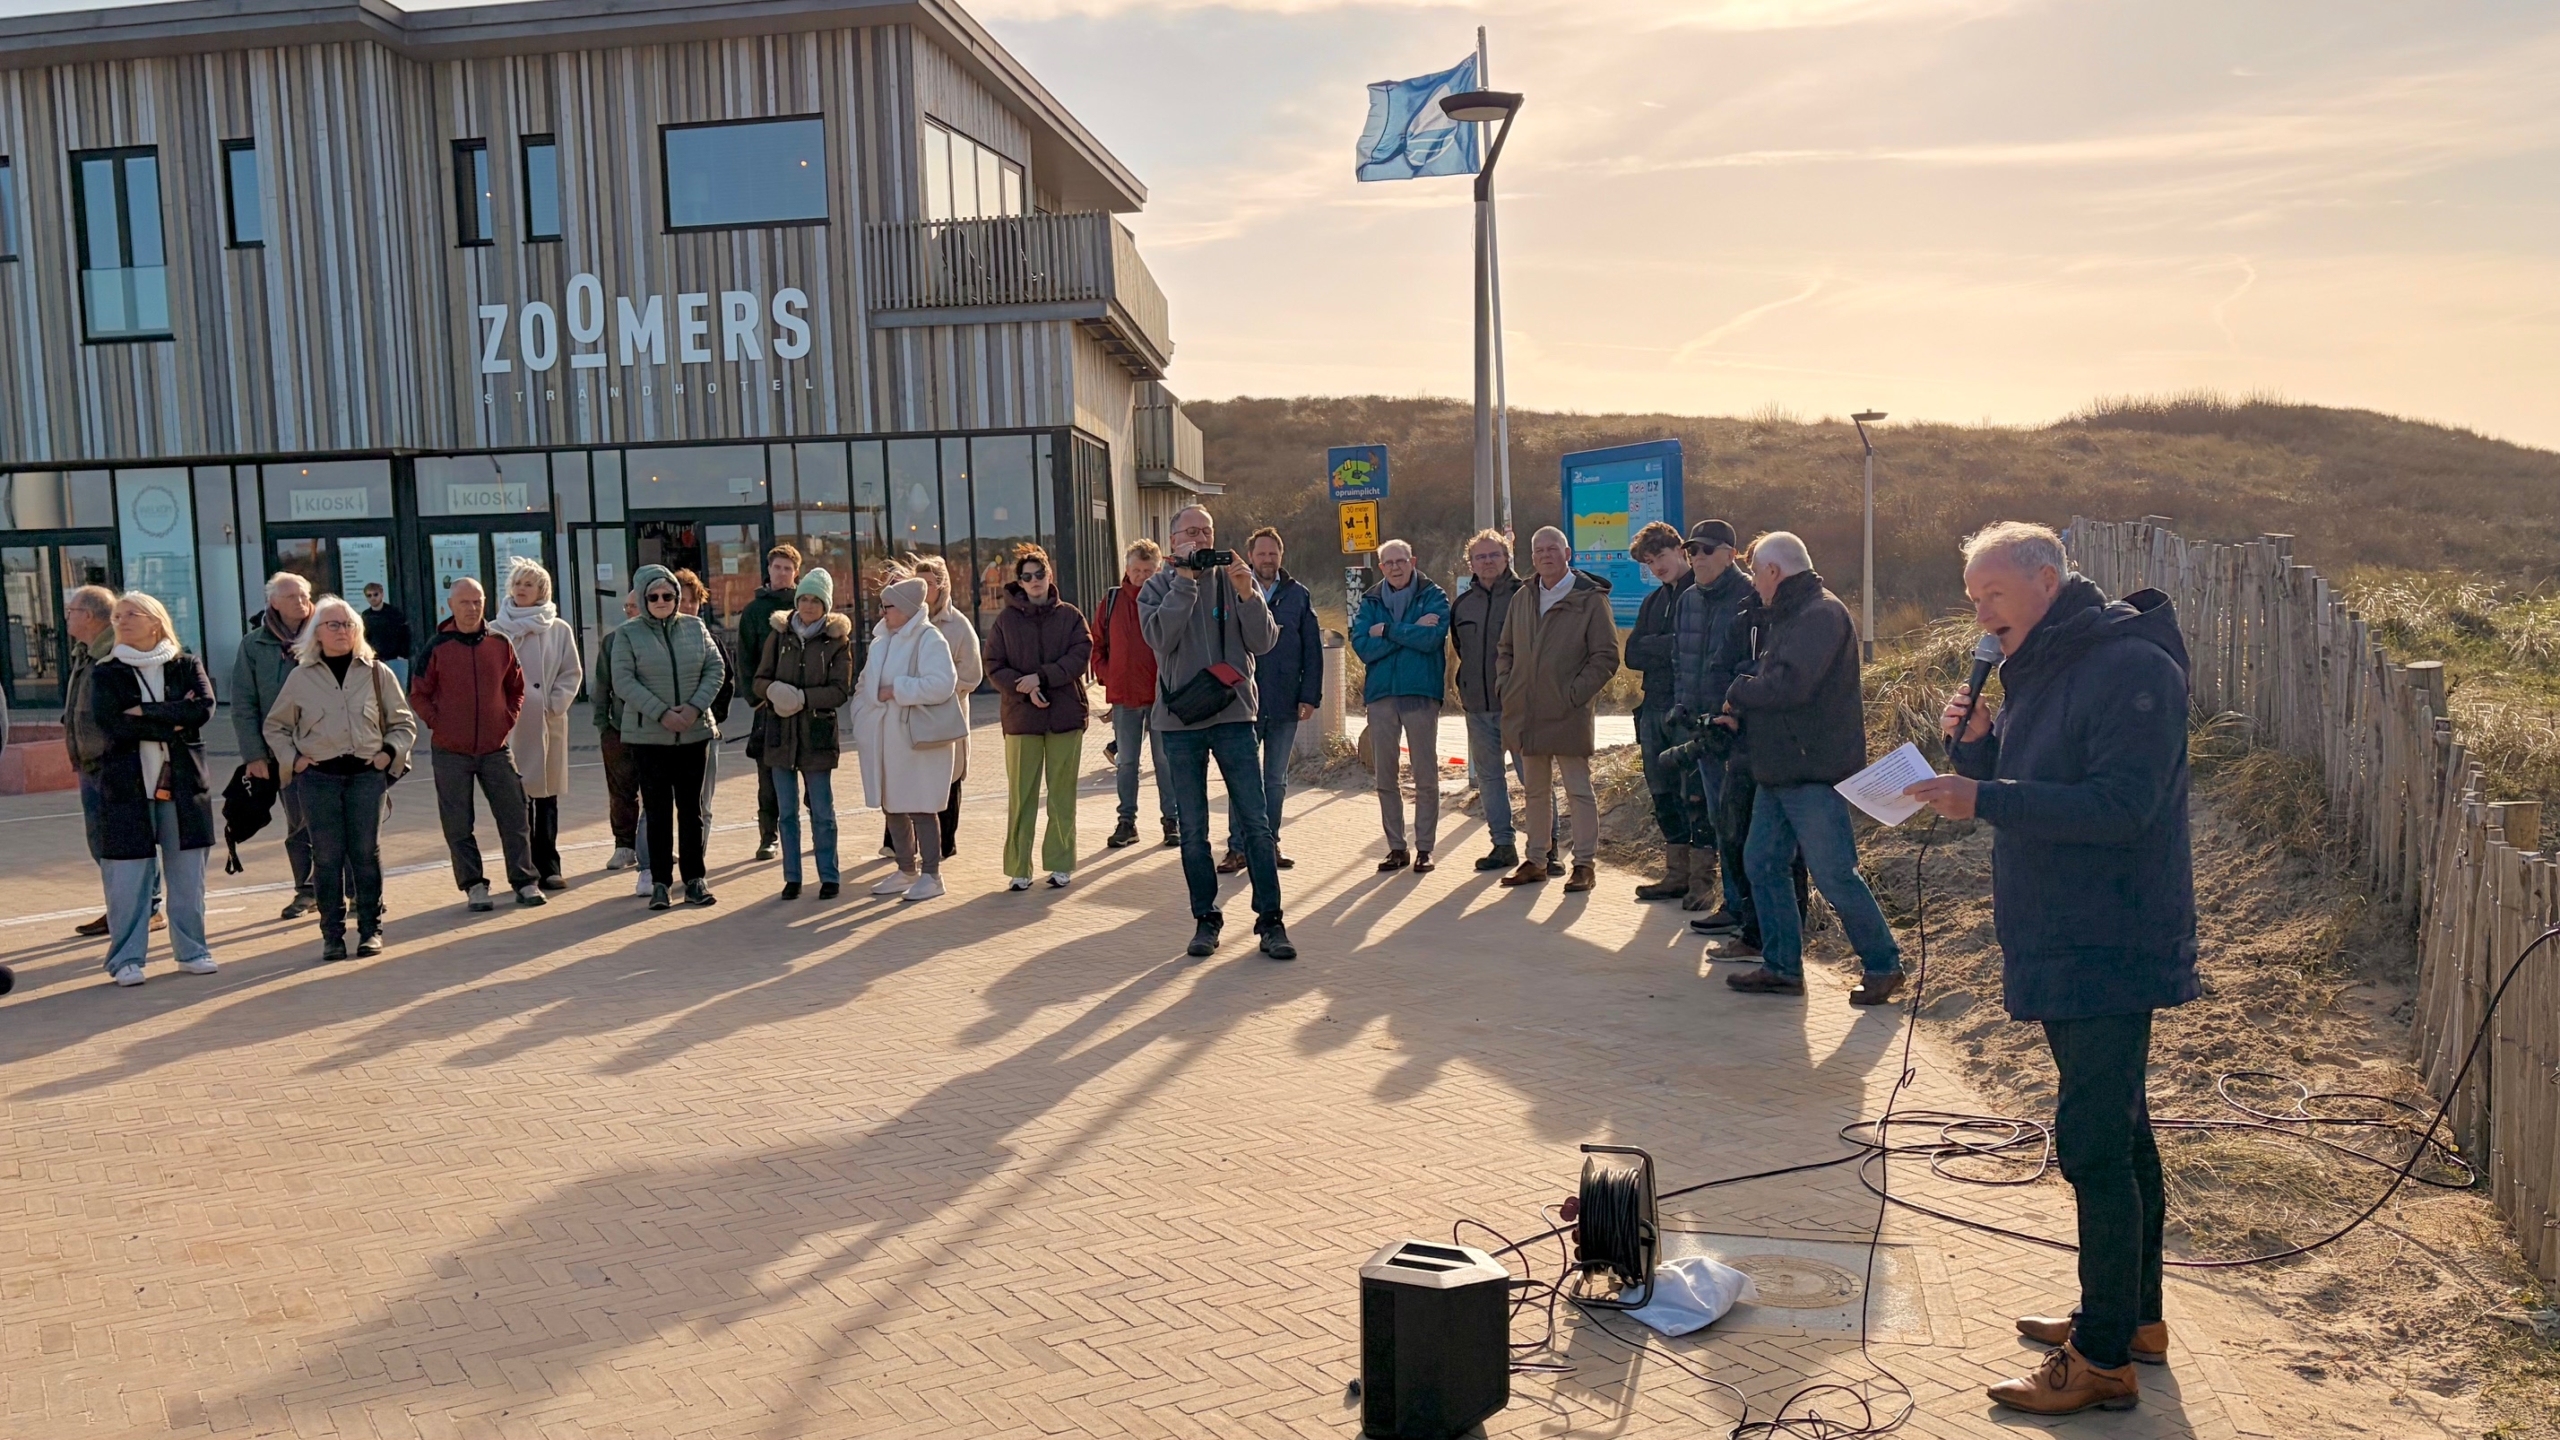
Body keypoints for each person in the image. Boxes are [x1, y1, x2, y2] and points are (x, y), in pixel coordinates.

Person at [1902, 522, 2197, 1416]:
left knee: (2094, 1146)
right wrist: (1984, 745)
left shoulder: (2128, 667)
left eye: (1992, 595)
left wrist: (1985, 793)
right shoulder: (2046, 663)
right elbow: (2042, 783)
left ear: (2045, 579)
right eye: (1972, 600)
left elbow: (2120, 807)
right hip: (2064, 929)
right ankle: (2133, 1318)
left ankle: (2102, 1357)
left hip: (2112, 937)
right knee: (2124, 1132)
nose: (1981, 615)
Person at [1716, 531, 1904, 1001]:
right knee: (1761, 861)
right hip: (1781, 767)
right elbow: (1778, 681)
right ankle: (1782, 967)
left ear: (1775, 572)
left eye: (1757, 571)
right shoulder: (1795, 612)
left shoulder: (1819, 613)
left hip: (1810, 769)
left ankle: (1883, 965)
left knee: (1835, 871)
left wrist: (1739, 690)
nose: (1754, 582)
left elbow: (1787, 687)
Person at [1139, 504, 1294, 961]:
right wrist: (1185, 583)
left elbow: (1264, 642)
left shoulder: (1235, 578)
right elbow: (1160, 639)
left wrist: (1248, 594)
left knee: (1257, 825)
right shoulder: (1157, 586)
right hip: (1180, 723)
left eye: (1207, 532)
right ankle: (1206, 920)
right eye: (1191, 532)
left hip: (1234, 716)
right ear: (1173, 542)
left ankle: (1271, 923)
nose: (1202, 539)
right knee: (1193, 830)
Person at [261, 593, 417, 961]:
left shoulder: (378, 672)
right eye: (333, 624)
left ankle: (370, 930)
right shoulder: (301, 677)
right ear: (317, 633)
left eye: (348, 624)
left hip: (366, 777)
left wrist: (388, 753)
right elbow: (276, 727)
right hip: (319, 779)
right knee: (327, 856)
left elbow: (403, 723)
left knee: (366, 853)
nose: (342, 631)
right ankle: (332, 934)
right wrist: (294, 760)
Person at [91, 592, 219, 986]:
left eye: (132, 614)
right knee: (127, 879)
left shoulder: (185, 664)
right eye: (117, 616)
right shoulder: (106, 671)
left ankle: (192, 951)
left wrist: (145, 711)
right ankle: (126, 959)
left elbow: (202, 709)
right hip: (127, 789)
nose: (122, 620)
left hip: (183, 787)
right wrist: (172, 718)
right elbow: (113, 723)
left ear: (156, 621)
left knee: (187, 877)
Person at [410, 576, 546, 913]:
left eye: (477, 602)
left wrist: (506, 720)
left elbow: (517, 688)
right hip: (450, 752)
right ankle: (474, 885)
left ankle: (525, 880)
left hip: (495, 748)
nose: (472, 609)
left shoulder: (500, 643)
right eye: (464, 603)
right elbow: (418, 694)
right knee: (458, 822)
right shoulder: (435, 648)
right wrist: (438, 722)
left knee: (515, 814)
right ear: (450, 606)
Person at [1495, 526, 1618, 892]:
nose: (1545, 555)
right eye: (1538, 550)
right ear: (1531, 558)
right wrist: (1508, 687)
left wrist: (1573, 695)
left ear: (1568, 553)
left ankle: (1583, 864)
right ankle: (1535, 860)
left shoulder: (1590, 599)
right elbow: (1505, 650)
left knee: (1578, 791)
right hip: (1527, 712)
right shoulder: (1523, 597)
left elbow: (1606, 656)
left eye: (1552, 548)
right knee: (1534, 790)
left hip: (1568, 712)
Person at [614, 564, 725, 910]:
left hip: (694, 735)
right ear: (643, 598)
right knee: (658, 812)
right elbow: (624, 680)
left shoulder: (695, 626)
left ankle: (695, 879)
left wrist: (693, 709)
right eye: (654, 596)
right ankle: (660, 881)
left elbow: (715, 667)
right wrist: (662, 713)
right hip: (650, 739)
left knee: (691, 810)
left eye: (668, 595)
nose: (662, 601)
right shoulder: (628, 634)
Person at [984, 547, 1092, 889]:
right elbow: (993, 666)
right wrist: (1024, 687)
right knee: (1022, 794)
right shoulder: (1005, 621)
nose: (1034, 582)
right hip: (1021, 720)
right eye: (1027, 577)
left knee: (1062, 794)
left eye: (1039, 575)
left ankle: (1060, 863)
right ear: (1019, 582)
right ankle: (1019, 867)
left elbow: (1080, 655)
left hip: (1064, 717)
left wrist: (1042, 677)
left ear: (1050, 576)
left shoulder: (1071, 616)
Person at [850, 576, 959, 902]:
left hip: (916, 741)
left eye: (889, 606)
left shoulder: (929, 639)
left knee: (922, 806)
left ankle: (931, 875)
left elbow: (943, 683)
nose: (882, 613)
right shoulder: (882, 641)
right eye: (882, 606)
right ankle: (905, 868)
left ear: (908, 608)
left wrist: (897, 689)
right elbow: (864, 684)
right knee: (892, 805)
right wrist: (861, 715)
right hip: (886, 739)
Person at [1222, 527, 1321, 873]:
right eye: (1261, 554)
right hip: (1241, 704)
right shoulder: (1233, 592)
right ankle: (1237, 848)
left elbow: (1313, 650)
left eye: (1273, 553)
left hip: (1285, 702)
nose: (1267, 559)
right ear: (1250, 557)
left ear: (1282, 556)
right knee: (1240, 778)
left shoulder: (1298, 596)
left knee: (1275, 780)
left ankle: (1269, 845)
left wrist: (1310, 696)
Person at [1349, 537, 1451, 873]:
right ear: (1381, 567)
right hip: (1381, 697)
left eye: (1401, 561)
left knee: (1425, 776)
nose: (1395, 567)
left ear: (1413, 561)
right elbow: (1363, 647)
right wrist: (1407, 633)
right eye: (1388, 562)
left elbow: (1431, 640)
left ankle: (1424, 848)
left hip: (1420, 694)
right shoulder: (1370, 600)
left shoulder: (1434, 596)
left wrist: (1388, 631)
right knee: (1385, 778)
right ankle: (1396, 847)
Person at [753, 567, 855, 900]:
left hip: (816, 736)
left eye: (815, 600)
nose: (808, 606)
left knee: (822, 811)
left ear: (826, 605)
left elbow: (841, 690)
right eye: (803, 599)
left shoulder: (837, 641)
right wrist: (775, 692)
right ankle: (792, 878)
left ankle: (829, 876)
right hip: (780, 734)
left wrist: (804, 698)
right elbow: (759, 680)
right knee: (786, 813)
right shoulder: (778, 635)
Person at [65, 584, 152, 940]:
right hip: (90, 763)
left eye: (70, 611)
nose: (66, 617)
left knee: (125, 841)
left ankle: (147, 907)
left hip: (112, 764)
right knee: (102, 841)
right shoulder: (84, 653)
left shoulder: (115, 654)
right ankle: (123, 905)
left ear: (87, 615)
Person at [489, 558, 582, 890]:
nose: (521, 589)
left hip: (545, 722)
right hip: (510, 726)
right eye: (517, 582)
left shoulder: (558, 629)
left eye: (529, 583)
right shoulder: (495, 630)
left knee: (546, 795)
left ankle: (550, 863)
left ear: (543, 590)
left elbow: (571, 673)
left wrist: (552, 705)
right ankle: (523, 868)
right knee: (516, 798)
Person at [234, 572, 318, 920]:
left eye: (304, 595)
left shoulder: (328, 632)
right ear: (273, 603)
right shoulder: (254, 645)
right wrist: (254, 754)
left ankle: (355, 891)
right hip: (284, 753)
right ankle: (307, 891)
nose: (300, 602)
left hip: (332, 747)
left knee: (348, 822)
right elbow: (243, 702)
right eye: (291, 597)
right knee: (300, 824)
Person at [1624, 521, 1696, 900]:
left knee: (1694, 795)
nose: (1657, 567)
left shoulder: (1699, 593)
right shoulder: (1653, 601)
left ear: (1679, 550)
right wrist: (1667, 645)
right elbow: (1631, 654)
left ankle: (1702, 880)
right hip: (1652, 707)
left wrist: (1661, 646)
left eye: (1661, 557)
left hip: (1684, 708)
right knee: (1662, 794)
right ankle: (1676, 874)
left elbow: (1692, 648)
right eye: (1650, 563)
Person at [1092, 538, 1178, 850]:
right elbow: (1096, 643)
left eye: (1148, 570)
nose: (1142, 576)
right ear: (1127, 569)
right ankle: (1126, 822)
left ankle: (1172, 821)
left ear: (1158, 570)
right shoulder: (1112, 600)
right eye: (1137, 570)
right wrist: (1107, 675)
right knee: (1126, 762)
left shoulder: (1169, 599)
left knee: (1165, 762)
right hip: (1124, 697)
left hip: (1162, 697)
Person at [1450, 529, 1525, 873]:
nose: (1488, 561)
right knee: (1490, 779)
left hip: (1518, 706)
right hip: (1477, 707)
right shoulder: (1463, 604)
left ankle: (1547, 847)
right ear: (1471, 563)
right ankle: (1503, 845)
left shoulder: (1526, 596)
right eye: (1480, 557)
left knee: (1532, 778)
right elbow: (1461, 650)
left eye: (1494, 554)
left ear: (1507, 557)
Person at [737, 543, 803, 862]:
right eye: (777, 567)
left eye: (787, 568)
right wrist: (757, 699)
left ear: (796, 573)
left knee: (810, 769)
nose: (781, 573)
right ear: (768, 570)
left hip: (803, 705)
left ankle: (815, 829)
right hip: (768, 707)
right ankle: (768, 836)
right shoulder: (753, 611)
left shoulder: (806, 606)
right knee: (768, 777)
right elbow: (745, 660)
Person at [916, 555, 983, 858]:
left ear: (942, 586)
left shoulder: (958, 626)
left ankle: (946, 843)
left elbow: (972, 673)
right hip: (915, 715)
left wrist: (941, 689)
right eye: (919, 583)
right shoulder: (908, 621)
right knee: (916, 778)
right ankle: (905, 843)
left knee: (950, 777)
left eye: (929, 583)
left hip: (949, 715)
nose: (924, 589)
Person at [672, 568, 736, 865]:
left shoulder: (710, 639)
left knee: (702, 803)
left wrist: (713, 717)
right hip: (665, 734)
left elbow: (726, 681)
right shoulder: (657, 640)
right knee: (664, 805)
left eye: (693, 600)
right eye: (681, 599)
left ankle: (695, 861)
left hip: (705, 733)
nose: (687, 606)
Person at [595, 589, 642, 873]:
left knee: (656, 791)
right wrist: (604, 725)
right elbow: (601, 685)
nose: (628, 612)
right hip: (618, 728)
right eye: (626, 607)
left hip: (654, 728)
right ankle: (624, 845)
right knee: (621, 790)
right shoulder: (612, 641)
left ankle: (652, 844)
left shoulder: (659, 640)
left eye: (633, 606)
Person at [362, 582, 414, 688]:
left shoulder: (394, 613)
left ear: (382, 594)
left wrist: (402, 655)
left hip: (395, 659)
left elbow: (404, 634)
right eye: (369, 595)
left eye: (375, 594)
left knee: (398, 692)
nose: (372, 598)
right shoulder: (365, 615)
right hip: (375, 660)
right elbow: (364, 637)